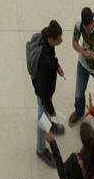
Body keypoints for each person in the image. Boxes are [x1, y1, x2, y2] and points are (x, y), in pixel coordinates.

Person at [27, 20, 66, 158]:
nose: (61, 40)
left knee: (44, 114)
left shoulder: (45, 34)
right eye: (58, 39)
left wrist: (57, 65)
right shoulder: (45, 63)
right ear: (51, 39)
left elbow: (51, 54)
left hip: (43, 84)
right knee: (42, 116)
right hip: (42, 90)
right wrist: (50, 108)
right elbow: (44, 92)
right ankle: (41, 149)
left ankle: (48, 122)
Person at [68, 6, 94, 125]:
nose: (86, 31)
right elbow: (74, 41)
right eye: (84, 29)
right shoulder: (79, 23)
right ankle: (79, 112)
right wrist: (81, 50)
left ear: (93, 22)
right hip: (83, 64)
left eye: (89, 28)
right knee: (79, 92)